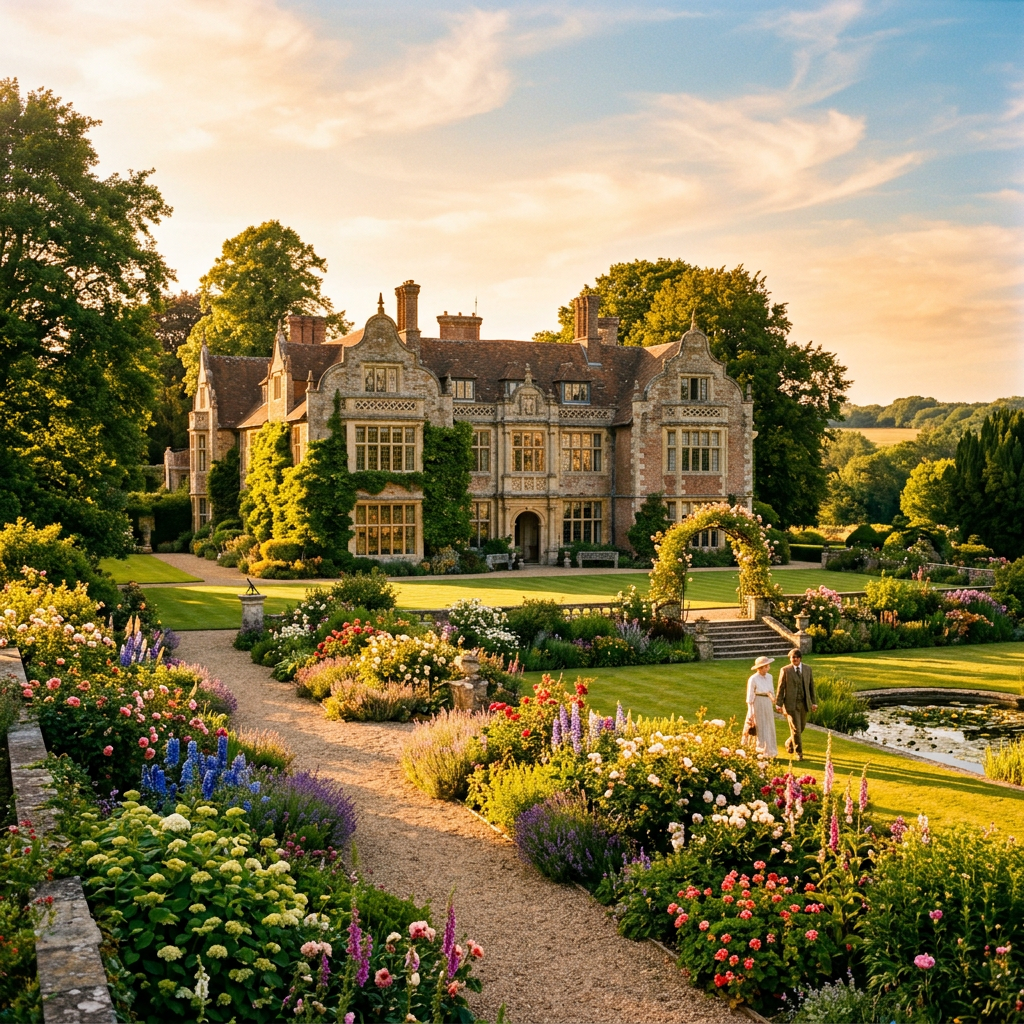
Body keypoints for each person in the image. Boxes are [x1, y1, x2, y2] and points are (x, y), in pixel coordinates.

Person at [775, 648, 817, 760]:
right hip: (791, 704)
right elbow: (781, 687)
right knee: (796, 729)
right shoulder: (785, 670)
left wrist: (814, 702)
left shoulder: (808, 669)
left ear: (800, 658)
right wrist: (778, 703)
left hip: (804, 703)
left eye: (797, 657)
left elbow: (811, 687)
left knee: (801, 727)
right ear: (790, 659)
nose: (795, 659)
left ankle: (789, 741)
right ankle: (799, 753)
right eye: (793, 657)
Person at [744, 655, 778, 758]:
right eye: (766, 666)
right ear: (761, 667)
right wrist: (751, 712)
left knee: (768, 725)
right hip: (757, 702)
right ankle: (757, 750)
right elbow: (750, 697)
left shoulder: (770, 677)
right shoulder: (753, 679)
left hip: (767, 702)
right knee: (759, 726)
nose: (768, 668)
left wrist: (774, 702)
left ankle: (770, 751)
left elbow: (771, 691)